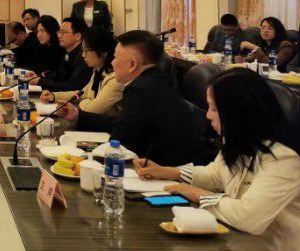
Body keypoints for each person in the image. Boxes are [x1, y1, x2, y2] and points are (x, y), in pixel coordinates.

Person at [136, 68, 300, 251]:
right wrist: (168, 172)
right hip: (244, 247)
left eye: (214, 109)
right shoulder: (240, 140)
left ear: (238, 112)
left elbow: (248, 218)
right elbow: (215, 175)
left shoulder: (283, 157)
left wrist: (199, 194)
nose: (208, 115)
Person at [58, 30, 213, 166]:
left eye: (115, 57)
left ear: (132, 65)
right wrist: (79, 116)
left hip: (172, 170)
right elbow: (123, 122)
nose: (112, 63)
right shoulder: (154, 81)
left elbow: (121, 143)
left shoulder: (140, 89)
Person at [41, 27, 123, 115]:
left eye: (86, 51)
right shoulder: (98, 72)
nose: (83, 55)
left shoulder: (115, 80)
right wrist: (53, 96)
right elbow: (81, 94)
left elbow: (91, 109)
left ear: (103, 52)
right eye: (83, 50)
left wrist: (84, 100)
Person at [34, 17, 89, 92]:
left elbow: (72, 86)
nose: (59, 36)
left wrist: (40, 81)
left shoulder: (85, 56)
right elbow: (59, 75)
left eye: (64, 32)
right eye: (59, 32)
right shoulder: (67, 53)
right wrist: (37, 77)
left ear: (78, 36)